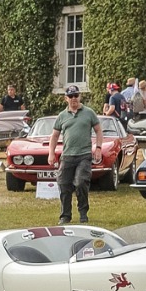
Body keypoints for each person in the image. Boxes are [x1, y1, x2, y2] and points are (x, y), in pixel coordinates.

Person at [53, 85, 103, 226]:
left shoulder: (89, 113)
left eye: (76, 96)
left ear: (79, 97)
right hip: (67, 155)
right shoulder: (62, 116)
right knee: (63, 184)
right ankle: (65, 216)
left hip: (84, 155)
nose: (74, 99)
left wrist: (98, 148)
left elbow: (98, 131)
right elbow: (55, 136)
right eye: (71, 96)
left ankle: (83, 213)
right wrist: (51, 153)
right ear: (66, 99)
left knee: (81, 182)